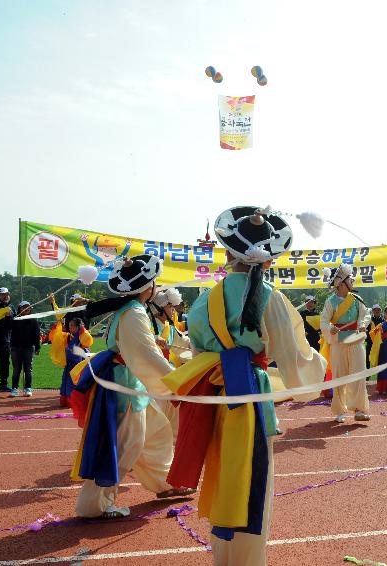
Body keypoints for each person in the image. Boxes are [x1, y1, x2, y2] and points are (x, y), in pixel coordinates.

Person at [162, 206, 326, 565]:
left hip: (218, 394)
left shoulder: (206, 299)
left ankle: (224, 556)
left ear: (228, 253)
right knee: (252, 479)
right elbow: (295, 356)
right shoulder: (271, 297)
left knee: (223, 471)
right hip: (250, 393)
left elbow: (198, 348)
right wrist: (320, 369)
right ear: (268, 261)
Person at [72, 253, 183, 520]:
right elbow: (146, 355)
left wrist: (154, 339)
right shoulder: (133, 312)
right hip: (125, 385)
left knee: (155, 432)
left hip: (125, 381)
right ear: (147, 288)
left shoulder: (129, 311)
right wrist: (177, 379)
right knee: (126, 443)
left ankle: (164, 482)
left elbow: (137, 344)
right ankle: (99, 504)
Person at [321, 263, 371, 423]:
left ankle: (359, 409)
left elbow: (365, 315)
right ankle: (339, 410)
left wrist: (363, 323)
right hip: (339, 343)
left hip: (356, 341)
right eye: (350, 279)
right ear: (341, 282)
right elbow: (323, 321)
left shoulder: (357, 299)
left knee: (359, 375)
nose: (352, 281)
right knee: (339, 377)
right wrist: (330, 328)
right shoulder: (330, 301)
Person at [49, 316, 93, 406]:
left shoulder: (82, 337)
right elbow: (55, 338)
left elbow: (88, 341)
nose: (70, 327)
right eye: (69, 325)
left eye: (72, 325)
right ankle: (65, 400)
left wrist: (82, 330)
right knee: (65, 381)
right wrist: (57, 327)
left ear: (78, 327)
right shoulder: (67, 337)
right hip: (69, 364)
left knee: (74, 383)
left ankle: (73, 401)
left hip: (79, 365)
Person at [10, 301, 41, 397]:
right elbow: (7, 326)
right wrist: (8, 317)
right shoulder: (14, 319)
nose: (26, 309)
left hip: (28, 348)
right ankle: (14, 388)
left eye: (28, 307)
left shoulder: (33, 320)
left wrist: (37, 347)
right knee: (16, 370)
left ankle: (28, 388)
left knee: (28, 369)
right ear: (19, 308)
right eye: (23, 307)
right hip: (15, 347)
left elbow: (36, 334)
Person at [364, 304, 384, 368]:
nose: (376, 311)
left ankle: (380, 374)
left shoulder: (383, 321)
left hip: (380, 342)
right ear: (372, 311)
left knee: (380, 358)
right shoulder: (369, 320)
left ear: (380, 311)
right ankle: (367, 374)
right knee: (367, 358)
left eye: (378, 310)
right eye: (375, 310)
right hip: (370, 342)